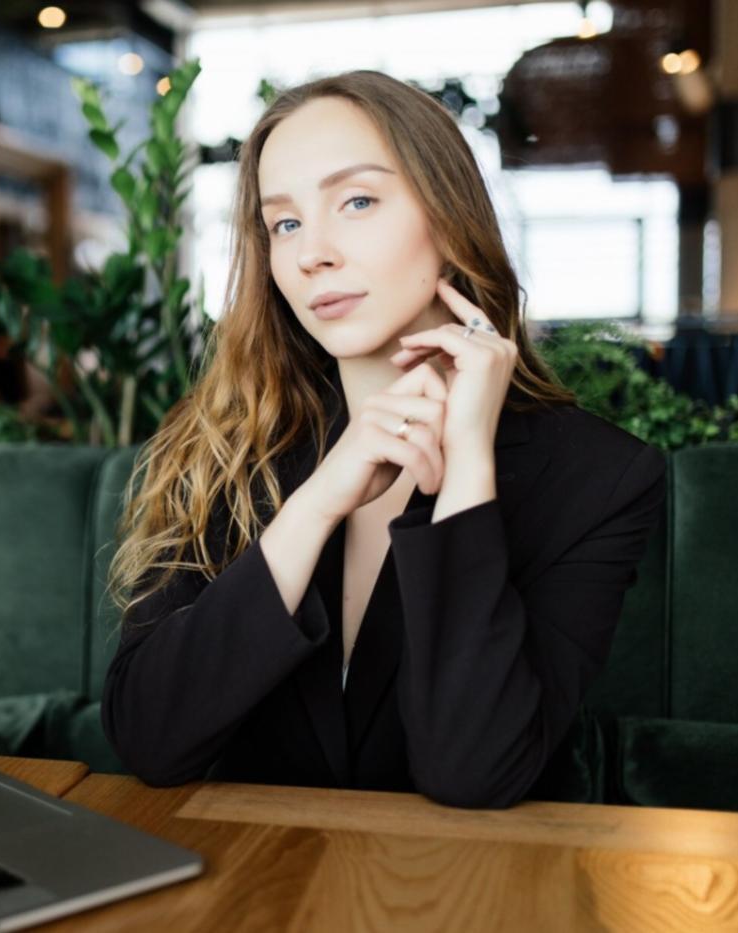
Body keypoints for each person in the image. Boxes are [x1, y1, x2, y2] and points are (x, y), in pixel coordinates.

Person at [101, 71, 666, 809]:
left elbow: (474, 771)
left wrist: (464, 470)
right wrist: (319, 500)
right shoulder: (222, 443)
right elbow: (149, 737)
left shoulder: (600, 477)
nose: (313, 254)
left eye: (357, 201)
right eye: (285, 224)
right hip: (246, 887)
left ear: (447, 213)